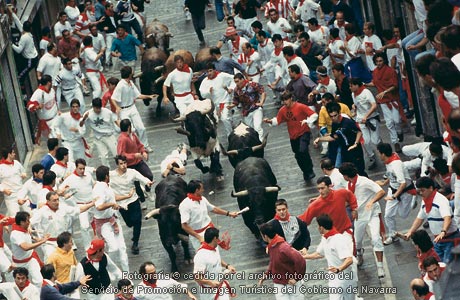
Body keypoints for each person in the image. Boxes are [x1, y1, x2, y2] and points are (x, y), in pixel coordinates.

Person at [339, 162, 386, 278]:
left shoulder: (364, 181)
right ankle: (360, 254)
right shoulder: (348, 185)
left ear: (346, 175)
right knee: (357, 241)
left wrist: (372, 201)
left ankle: (380, 266)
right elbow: (347, 200)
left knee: (376, 238)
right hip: (360, 215)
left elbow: (381, 191)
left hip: (372, 214)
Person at [264, 91, 318, 181]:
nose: (285, 102)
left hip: (303, 132)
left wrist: (307, 121)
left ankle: (309, 169)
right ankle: (305, 171)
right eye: (283, 100)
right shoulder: (283, 110)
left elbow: (314, 115)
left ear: (291, 98)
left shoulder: (300, 106)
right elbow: (277, 120)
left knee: (303, 150)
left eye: (286, 100)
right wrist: (269, 121)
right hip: (293, 135)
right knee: (297, 154)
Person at [404, 176, 459, 263]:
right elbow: (420, 218)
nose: (421, 193)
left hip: (450, 240)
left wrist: (443, 231)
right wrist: (410, 231)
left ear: (430, 188)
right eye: (419, 191)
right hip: (437, 240)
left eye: (423, 190)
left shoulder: (441, 200)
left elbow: (447, 218)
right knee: (439, 264)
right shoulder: (425, 201)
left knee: (447, 266)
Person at [302, 214, 358, 300]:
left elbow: (349, 259)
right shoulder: (325, 238)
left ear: (321, 227)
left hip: (347, 278)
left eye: (318, 226)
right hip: (334, 278)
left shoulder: (338, 239)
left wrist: (339, 269)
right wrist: (304, 256)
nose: (317, 228)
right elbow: (319, 254)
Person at [31, 191, 94, 261]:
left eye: (58, 199)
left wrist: (92, 204)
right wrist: (35, 237)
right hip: (49, 243)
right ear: (48, 201)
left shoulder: (63, 208)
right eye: (54, 200)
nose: (57, 202)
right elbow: (30, 224)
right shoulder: (42, 211)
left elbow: (79, 210)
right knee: (51, 263)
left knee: (69, 263)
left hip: (64, 242)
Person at [110, 155, 153, 254]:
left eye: (125, 163)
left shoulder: (132, 172)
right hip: (121, 203)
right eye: (121, 164)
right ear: (117, 165)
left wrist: (148, 182)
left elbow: (142, 178)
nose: (124, 165)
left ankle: (135, 243)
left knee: (137, 221)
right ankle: (134, 233)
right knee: (129, 223)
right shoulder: (111, 175)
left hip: (133, 200)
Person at [179, 180, 238, 250]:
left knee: (215, 251)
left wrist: (229, 213)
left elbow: (213, 209)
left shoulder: (202, 199)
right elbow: (184, 225)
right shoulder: (185, 205)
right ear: (197, 190)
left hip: (209, 231)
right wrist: (199, 237)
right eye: (202, 188)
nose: (203, 190)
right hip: (197, 235)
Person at [299, 176, 358, 245]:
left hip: (345, 231)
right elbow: (304, 220)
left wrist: (354, 208)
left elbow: (350, 195)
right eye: (318, 189)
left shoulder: (341, 193)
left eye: (322, 188)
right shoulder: (315, 205)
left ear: (330, 186)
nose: (320, 191)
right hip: (329, 237)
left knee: (350, 254)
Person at [376, 142, 415, 245]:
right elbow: (391, 174)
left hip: (405, 192)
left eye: (379, 153)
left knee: (403, 215)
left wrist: (394, 196)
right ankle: (393, 236)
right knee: (388, 215)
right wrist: (385, 182)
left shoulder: (396, 164)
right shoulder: (388, 160)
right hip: (393, 189)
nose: (378, 155)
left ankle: (413, 201)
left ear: (383, 154)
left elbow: (403, 183)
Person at [92, 166, 129, 272]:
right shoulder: (99, 189)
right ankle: (109, 271)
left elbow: (112, 197)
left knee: (122, 248)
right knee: (113, 248)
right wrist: (112, 204)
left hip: (113, 220)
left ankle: (126, 275)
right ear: (107, 176)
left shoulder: (106, 186)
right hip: (104, 223)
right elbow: (99, 206)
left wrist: (127, 196)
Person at [314, 102, 366, 175]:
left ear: (339, 113)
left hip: (355, 150)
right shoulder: (334, 124)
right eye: (331, 116)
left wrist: (355, 143)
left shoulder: (347, 122)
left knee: (360, 171)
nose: (333, 118)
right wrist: (320, 139)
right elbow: (333, 137)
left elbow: (359, 132)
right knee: (349, 172)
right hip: (345, 150)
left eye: (335, 115)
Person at [258, 222, 306, 300]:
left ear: (265, 236)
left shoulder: (283, 247)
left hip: (291, 284)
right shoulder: (271, 247)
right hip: (279, 284)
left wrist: (296, 278)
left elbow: (300, 260)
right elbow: (274, 262)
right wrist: (266, 275)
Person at [112, 66, 155, 152]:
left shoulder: (131, 83)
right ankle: (135, 148)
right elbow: (113, 98)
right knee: (131, 130)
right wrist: (117, 107)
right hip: (124, 110)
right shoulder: (120, 85)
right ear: (129, 74)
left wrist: (148, 96)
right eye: (132, 72)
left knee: (141, 128)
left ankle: (145, 146)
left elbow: (138, 95)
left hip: (132, 107)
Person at [367, 52, 404, 153]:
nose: (378, 63)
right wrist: (364, 84)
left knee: (396, 120)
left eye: (380, 61)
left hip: (393, 99)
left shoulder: (391, 71)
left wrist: (385, 91)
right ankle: (395, 142)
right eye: (377, 61)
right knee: (389, 122)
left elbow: (394, 85)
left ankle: (399, 132)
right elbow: (375, 83)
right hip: (383, 101)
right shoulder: (374, 72)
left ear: (384, 61)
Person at [117, 119, 154, 204]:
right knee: (136, 184)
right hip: (130, 165)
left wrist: (143, 151)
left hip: (138, 162)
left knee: (149, 175)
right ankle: (142, 201)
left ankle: (148, 190)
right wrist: (134, 155)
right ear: (129, 127)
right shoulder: (122, 139)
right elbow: (121, 154)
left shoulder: (133, 135)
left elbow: (139, 145)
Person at [61, 158, 96, 248]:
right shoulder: (70, 179)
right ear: (76, 167)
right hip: (81, 206)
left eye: (83, 168)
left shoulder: (88, 175)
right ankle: (88, 247)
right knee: (84, 227)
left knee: (99, 223)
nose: (82, 170)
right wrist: (67, 194)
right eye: (80, 168)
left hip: (93, 204)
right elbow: (60, 190)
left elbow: (94, 185)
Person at [193, 227, 236, 300]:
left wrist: (227, 266)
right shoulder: (200, 256)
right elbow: (197, 277)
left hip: (221, 287)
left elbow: (217, 259)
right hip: (208, 293)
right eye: (218, 238)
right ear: (215, 238)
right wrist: (210, 282)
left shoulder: (215, 248)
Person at [10, 211, 49, 287]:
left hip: (31, 260)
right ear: (22, 222)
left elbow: (29, 237)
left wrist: (38, 239)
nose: (29, 222)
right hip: (20, 264)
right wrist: (42, 242)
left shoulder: (24, 228)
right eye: (27, 220)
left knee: (39, 281)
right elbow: (25, 247)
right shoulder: (15, 234)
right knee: (22, 285)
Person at [350, 77, 380, 169]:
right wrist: (354, 108)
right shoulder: (353, 94)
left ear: (356, 85)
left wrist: (366, 116)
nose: (350, 87)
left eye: (351, 86)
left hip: (371, 119)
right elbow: (357, 105)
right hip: (361, 120)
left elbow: (374, 105)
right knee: (366, 142)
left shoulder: (366, 92)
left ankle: (382, 148)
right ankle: (372, 158)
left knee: (375, 141)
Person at [199, 63, 235, 137]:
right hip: (214, 105)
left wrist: (231, 88)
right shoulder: (205, 81)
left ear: (214, 70)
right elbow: (202, 94)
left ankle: (230, 136)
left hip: (224, 102)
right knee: (216, 122)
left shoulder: (222, 76)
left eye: (210, 70)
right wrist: (208, 92)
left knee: (224, 118)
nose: (209, 73)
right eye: (207, 72)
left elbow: (234, 79)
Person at [80, 98, 119, 166]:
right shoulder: (88, 114)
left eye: (99, 108)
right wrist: (84, 118)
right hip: (98, 138)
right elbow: (80, 124)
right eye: (96, 108)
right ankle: (107, 171)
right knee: (103, 157)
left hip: (109, 135)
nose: (98, 110)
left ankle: (120, 167)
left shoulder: (107, 112)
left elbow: (116, 121)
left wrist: (123, 128)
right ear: (93, 107)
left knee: (117, 154)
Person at [228, 73, 266, 140]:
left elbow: (262, 92)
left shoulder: (252, 84)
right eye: (235, 82)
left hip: (256, 108)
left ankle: (260, 142)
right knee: (250, 130)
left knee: (257, 127)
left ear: (242, 79)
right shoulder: (236, 90)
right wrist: (231, 106)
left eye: (237, 81)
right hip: (246, 112)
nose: (237, 83)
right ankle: (254, 142)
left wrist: (261, 102)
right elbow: (236, 101)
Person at [26, 75, 59, 142]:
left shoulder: (52, 90)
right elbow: (29, 107)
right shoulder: (38, 93)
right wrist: (37, 107)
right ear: (48, 83)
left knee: (59, 138)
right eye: (51, 81)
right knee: (53, 140)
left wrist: (58, 110)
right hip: (46, 123)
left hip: (56, 118)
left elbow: (55, 101)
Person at [0, 147, 27, 216]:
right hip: (11, 198)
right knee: (15, 218)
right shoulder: (1, 167)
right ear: (9, 154)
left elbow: (23, 172)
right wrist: (3, 189)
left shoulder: (17, 163)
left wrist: (24, 174)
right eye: (13, 153)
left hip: (22, 193)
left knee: (30, 213)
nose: (15, 154)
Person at [12, 21, 38, 89]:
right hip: (32, 57)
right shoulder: (27, 34)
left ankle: (20, 85)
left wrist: (11, 44)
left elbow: (19, 50)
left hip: (30, 60)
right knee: (22, 73)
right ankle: (21, 84)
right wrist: (11, 13)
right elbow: (18, 22)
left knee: (20, 76)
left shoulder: (24, 37)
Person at [81, 35, 105, 99]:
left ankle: (99, 102)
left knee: (100, 89)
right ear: (91, 42)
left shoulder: (87, 50)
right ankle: (94, 104)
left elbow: (81, 56)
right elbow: (94, 59)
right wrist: (101, 52)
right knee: (98, 89)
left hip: (96, 72)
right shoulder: (88, 50)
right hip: (92, 73)